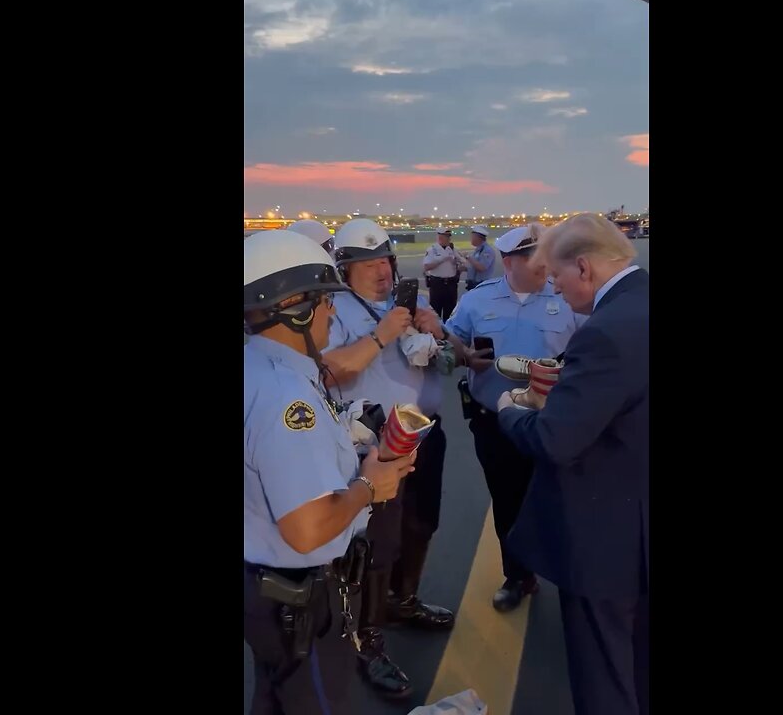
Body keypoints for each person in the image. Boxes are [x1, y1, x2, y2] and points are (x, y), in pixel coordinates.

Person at [243, 230, 419, 715]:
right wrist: (369, 487)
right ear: (294, 307)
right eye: (324, 302)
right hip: (299, 598)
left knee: (275, 696)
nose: (332, 312)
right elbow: (306, 528)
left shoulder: (258, 367)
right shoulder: (286, 397)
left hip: (263, 591)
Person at [494, 213, 649, 715]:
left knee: (604, 674)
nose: (556, 291)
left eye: (557, 279)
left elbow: (556, 440)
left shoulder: (605, 333)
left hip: (609, 541)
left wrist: (512, 413)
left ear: (583, 267)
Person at [321, 219, 456, 700]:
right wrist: (379, 336)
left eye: (386, 261)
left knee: (422, 525)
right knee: (374, 549)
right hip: (373, 447)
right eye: (368, 263)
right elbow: (326, 371)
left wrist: (435, 329)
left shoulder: (409, 305)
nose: (381, 271)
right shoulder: (332, 311)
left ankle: (404, 601)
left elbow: (447, 359)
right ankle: (367, 641)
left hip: (423, 433)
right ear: (345, 268)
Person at [441, 224, 584, 612]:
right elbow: (448, 345)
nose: (545, 266)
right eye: (535, 258)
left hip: (552, 423)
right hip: (495, 422)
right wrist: (464, 356)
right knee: (507, 502)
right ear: (509, 262)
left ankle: (571, 578)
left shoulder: (567, 298)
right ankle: (518, 576)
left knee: (562, 502)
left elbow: (592, 352)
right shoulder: (476, 302)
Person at [422, 227, 466, 320]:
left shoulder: (453, 249)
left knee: (450, 312)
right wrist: (442, 259)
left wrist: (459, 264)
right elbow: (427, 267)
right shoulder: (432, 250)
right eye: (446, 237)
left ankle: (448, 331)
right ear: (440, 237)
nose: (449, 239)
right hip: (437, 284)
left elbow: (464, 263)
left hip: (451, 284)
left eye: (449, 237)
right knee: (435, 311)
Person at [461, 224, 501, 291]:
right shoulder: (478, 250)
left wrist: (468, 257)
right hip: (473, 284)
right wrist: (464, 268)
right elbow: (474, 266)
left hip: (481, 285)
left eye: (472, 237)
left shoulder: (487, 251)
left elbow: (482, 268)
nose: (471, 239)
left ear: (478, 237)